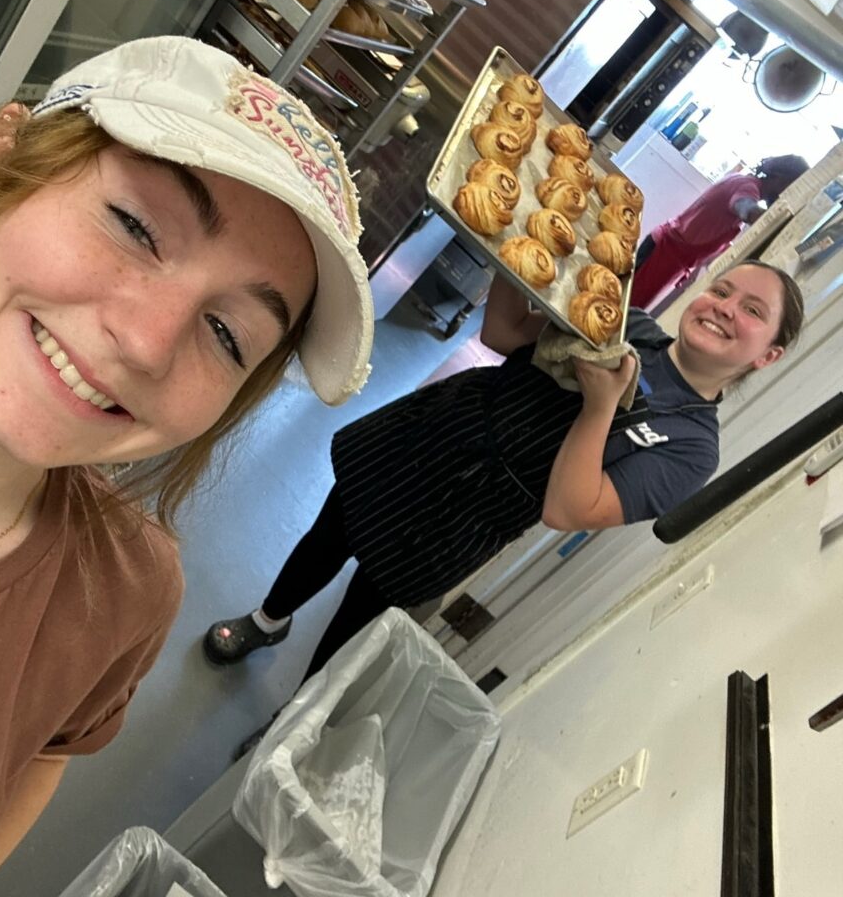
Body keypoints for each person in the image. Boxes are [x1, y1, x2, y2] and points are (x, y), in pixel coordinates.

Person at [0, 37, 373, 897]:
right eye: (135, 226)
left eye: (227, 335)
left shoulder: (121, 599)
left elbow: (33, 767)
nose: (147, 343)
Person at [205, 260, 803, 685]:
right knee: (333, 528)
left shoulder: (692, 448)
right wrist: (513, 256)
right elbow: (504, 333)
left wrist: (600, 407)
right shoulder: (634, 323)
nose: (724, 308)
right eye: (722, 290)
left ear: (768, 355)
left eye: (752, 311)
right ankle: (267, 619)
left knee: (370, 599)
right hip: (439, 428)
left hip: (476, 509)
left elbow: (569, 508)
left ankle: (292, 720)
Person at [630, 154, 809, 309]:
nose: (786, 194)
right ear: (778, 177)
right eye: (790, 187)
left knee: (629, 304)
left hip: (668, 252)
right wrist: (783, 217)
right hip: (664, 253)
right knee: (626, 305)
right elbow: (745, 208)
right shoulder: (748, 187)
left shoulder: (741, 180)